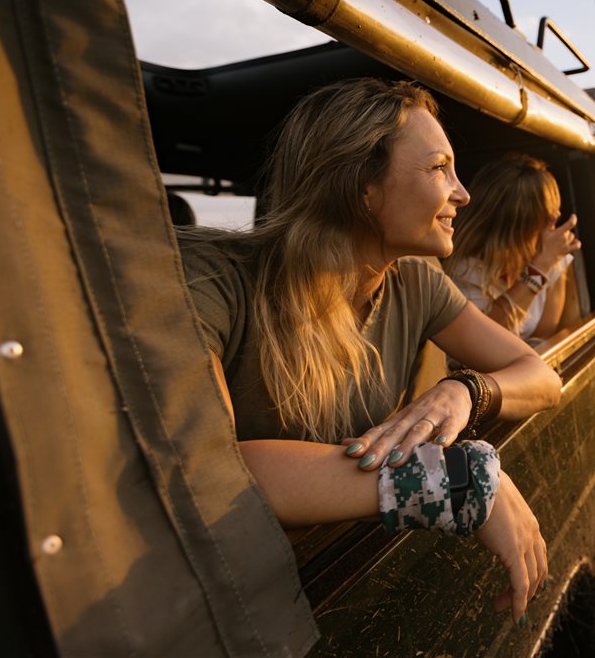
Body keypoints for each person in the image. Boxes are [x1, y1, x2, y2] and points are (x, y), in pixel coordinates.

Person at [177, 78, 559, 623]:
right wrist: (456, 480)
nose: (462, 193)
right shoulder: (212, 281)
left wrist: (464, 390)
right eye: (438, 168)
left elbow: (541, 376)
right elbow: (209, 469)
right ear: (363, 187)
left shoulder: (415, 284)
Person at [443, 154, 581, 344]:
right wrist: (537, 271)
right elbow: (481, 343)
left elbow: (544, 337)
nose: (553, 224)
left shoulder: (552, 258)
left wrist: (545, 264)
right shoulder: (463, 271)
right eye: (544, 219)